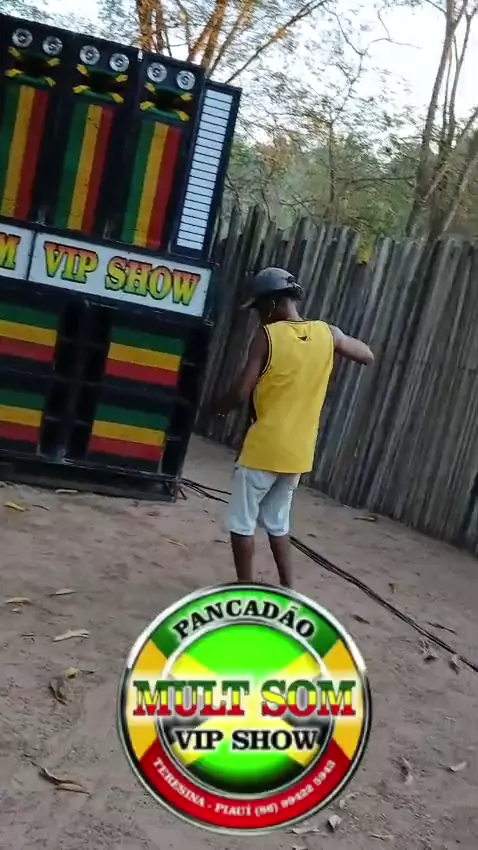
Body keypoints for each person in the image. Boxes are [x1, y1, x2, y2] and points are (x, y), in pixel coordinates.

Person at [213, 267, 374, 589]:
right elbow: (367, 355)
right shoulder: (328, 333)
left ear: (272, 304)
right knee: (277, 522)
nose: (258, 316)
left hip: (264, 448)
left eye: (259, 308)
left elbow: (241, 393)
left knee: (242, 523)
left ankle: (245, 589)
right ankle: (288, 588)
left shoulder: (267, 336)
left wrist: (216, 408)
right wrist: (332, 344)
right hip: (298, 452)